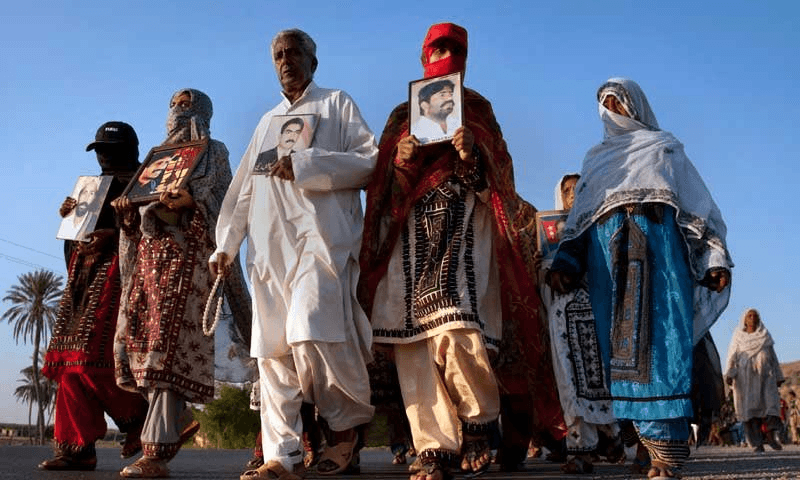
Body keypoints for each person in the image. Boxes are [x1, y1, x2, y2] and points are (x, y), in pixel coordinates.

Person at [359, 22, 564, 480]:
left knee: (456, 322)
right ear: (422, 56)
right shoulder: (400, 117)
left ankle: (477, 421)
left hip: (464, 228)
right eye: (437, 48)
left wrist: (473, 155)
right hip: (410, 236)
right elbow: (384, 190)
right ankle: (433, 446)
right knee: (410, 338)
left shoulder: (477, 109)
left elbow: (501, 173)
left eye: (452, 49)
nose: (443, 55)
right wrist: (402, 160)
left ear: (465, 59)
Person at [209, 28, 377, 480]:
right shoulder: (266, 124)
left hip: (320, 243)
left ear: (312, 61)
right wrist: (226, 244)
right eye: (278, 55)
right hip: (268, 252)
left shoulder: (337, 104)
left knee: (312, 331)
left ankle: (346, 433)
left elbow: (369, 162)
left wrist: (308, 163)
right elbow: (243, 191)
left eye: (293, 53)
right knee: (273, 353)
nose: (285, 61)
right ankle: (281, 458)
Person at [547, 77, 733, 479]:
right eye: (605, 102)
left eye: (619, 100)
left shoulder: (666, 148)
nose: (612, 107)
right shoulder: (596, 160)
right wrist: (565, 262)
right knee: (623, 360)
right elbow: (578, 221)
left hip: (661, 267)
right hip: (608, 273)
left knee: (663, 352)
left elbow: (699, 208)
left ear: (637, 105)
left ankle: (667, 456)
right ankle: (645, 449)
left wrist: (713, 258)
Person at [113, 88, 250, 478]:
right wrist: (126, 216)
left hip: (188, 265)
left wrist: (192, 204)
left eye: (186, 105)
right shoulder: (154, 161)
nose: (178, 111)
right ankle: (179, 417)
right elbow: (138, 222)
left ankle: (155, 453)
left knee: (163, 354)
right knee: (132, 347)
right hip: (148, 267)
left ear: (203, 111)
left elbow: (224, 206)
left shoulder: (214, 153)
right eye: (173, 104)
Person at [39, 121, 149, 471]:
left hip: (119, 282)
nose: (102, 155)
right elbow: (75, 248)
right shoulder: (92, 189)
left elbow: (156, 231)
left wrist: (114, 235)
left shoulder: (145, 183)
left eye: (108, 149)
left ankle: (142, 420)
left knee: (93, 358)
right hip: (83, 286)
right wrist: (72, 221)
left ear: (126, 151)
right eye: (98, 149)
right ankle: (76, 448)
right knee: (65, 363)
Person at [540, 174, 622, 474]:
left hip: (593, 310)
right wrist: (546, 267)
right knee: (569, 381)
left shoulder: (596, 224)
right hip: (561, 317)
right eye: (567, 190)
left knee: (597, 377)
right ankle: (580, 451)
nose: (572, 194)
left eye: (578, 188)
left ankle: (611, 434)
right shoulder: (549, 232)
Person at [725, 308, 784, 453]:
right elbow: (732, 355)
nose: (752, 318)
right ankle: (756, 443)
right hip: (745, 380)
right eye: (749, 316)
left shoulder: (764, 335)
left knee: (770, 406)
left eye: (755, 316)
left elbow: (773, 356)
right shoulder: (738, 336)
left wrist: (778, 375)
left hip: (765, 377)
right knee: (750, 413)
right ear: (744, 320)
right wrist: (729, 373)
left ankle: (770, 435)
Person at [411, 79, 459, 143]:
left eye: (451, 94)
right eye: (442, 95)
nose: (450, 98)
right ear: (425, 105)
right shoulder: (414, 132)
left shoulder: (458, 125)